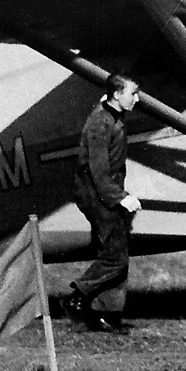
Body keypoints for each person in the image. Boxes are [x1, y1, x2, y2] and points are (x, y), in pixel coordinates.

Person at [65, 75, 142, 333]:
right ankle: (77, 296)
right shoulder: (101, 122)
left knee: (115, 254)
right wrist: (120, 198)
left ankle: (106, 315)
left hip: (104, 193)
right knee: (114, 259)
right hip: (98, 196)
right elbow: (98, 170)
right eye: (133, 93)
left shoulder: (113, 115)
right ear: (117, 94)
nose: (137, 99)